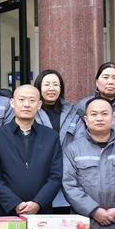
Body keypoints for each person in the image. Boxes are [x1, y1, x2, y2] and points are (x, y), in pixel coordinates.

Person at [0, 84, 63, 217]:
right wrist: (14, 203)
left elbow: (56, 176)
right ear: (12, 103)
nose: (26, 104)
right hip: (5, 211)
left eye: (32, 100)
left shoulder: (51, 136)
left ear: (39, 105)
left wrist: (38, 203)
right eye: (21, 100)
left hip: (41, 212)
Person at [63, 97, 115, 229]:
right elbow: (69, 185)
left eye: (104, 114)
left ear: (113, 118)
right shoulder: (73, 150)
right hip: (84, 225)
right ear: (86, 120)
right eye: (94, 114)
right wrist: (93, 210)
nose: (99, 118)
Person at [34, 69, 83, 214]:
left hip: (68, 176)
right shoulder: (31, 112)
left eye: (55, 84)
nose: (51, 88)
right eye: (47, 84)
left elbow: (80, 143)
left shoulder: (74, 112)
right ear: (38, 87)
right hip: (39, 178)